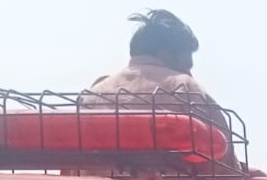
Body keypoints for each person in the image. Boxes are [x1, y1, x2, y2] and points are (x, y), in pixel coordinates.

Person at [81, 11, 236, 168]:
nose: (189, 74)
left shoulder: (96, 92)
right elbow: (224, 168)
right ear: (165, 55)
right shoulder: (186, 87)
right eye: (185, 66)